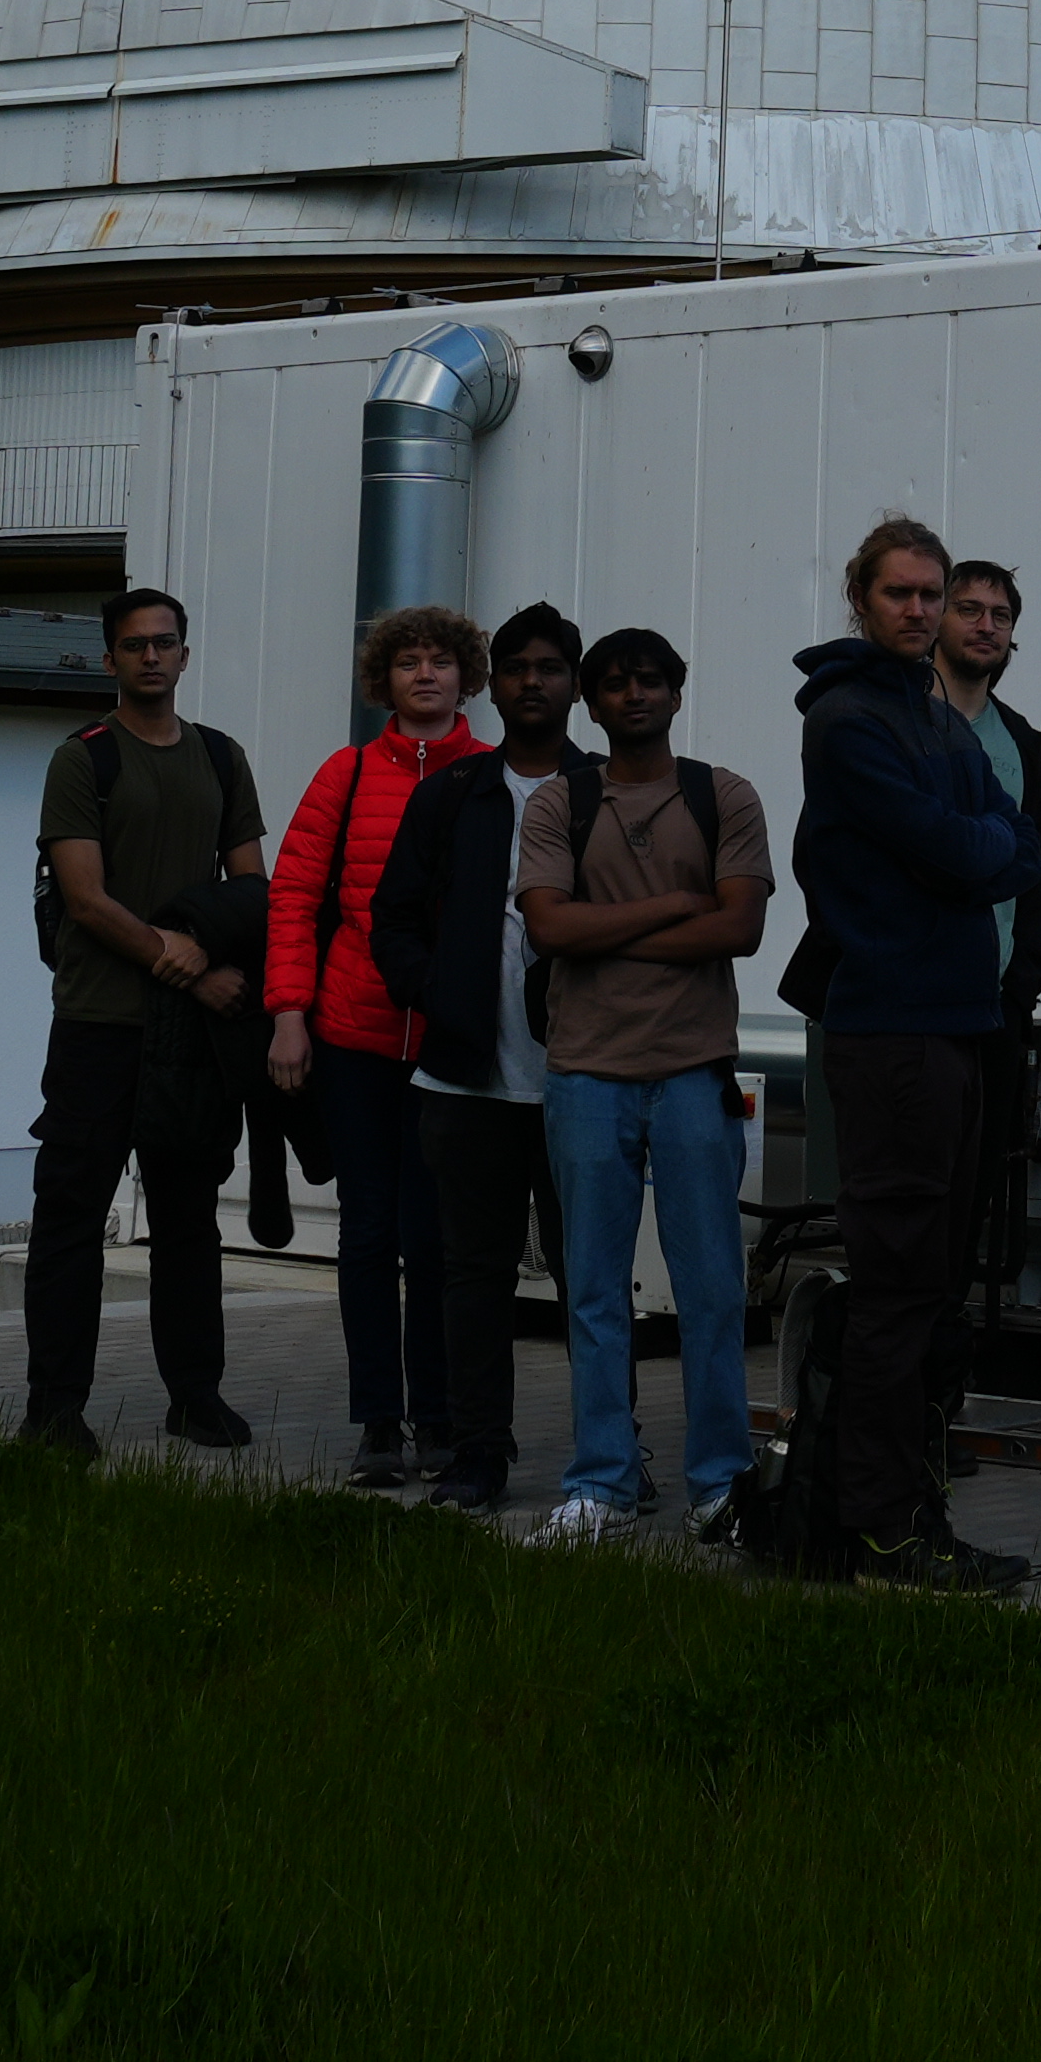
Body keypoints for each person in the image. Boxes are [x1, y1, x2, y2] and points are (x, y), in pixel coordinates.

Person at [787, 514, 1039, 1591]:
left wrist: (975, 848)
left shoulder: (934, 715)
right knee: (895, 1289)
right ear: (861, 599)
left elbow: (1013, 846)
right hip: (892, 1030)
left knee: (932, 1285)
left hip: (958, 1025)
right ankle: (883, 1531)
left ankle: (902, 1512)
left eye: (933, 594)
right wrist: (975, 848)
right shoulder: (848, 719)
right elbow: (954, 845)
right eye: (903, 593)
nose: (922, 611)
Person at [518, 624, 775, 1549]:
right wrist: (673, 905)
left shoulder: (722, 794)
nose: (635, 695)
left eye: (652, 680)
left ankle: (721, 1482)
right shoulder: (559, 801)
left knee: (712, 1293)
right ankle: (603, 1482)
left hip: (695, 1071)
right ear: (590, 703)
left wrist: (606, 928)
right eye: (618, 683)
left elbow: (740, 930)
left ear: (676, 691)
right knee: (592, 1291)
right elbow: (549, 929)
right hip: (586, 1074)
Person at [366, 600, 596, 1515]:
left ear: (575, 684)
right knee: (471, 1277)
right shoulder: (453, 792)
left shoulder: (607, 790)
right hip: (464, 1077)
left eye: (551, 667)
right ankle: (477, 1454)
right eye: (517, 667)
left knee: (589, 1277)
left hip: (585, 1080)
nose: (532, 681)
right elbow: (392, 917)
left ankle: (610, 1452)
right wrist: (438, 993)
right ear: (491, 685)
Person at [25, 583, 263, 1457]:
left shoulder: (222, 758)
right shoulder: (83, 760)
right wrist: (182, 961)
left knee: (189, 1220)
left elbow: (251, 887)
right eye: (135, 645)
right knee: (70, 1218)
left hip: (189, 1042)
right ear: (111, 659)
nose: (151, 656)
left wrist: (214, 959)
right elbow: (86, 900)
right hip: (99, 1022)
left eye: (164, 643)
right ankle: (54, 1409)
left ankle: (195, 1398)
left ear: (185, 656)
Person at [267, 602, 501, 1489]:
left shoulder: (492, 774)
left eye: (441, 660)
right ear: (385, 681)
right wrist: (289, 1012)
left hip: (451, 1042)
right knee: (366, 1234)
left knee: (438, 1239)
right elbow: (293, 895)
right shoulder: (349, 772)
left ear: (466, 676)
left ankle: (440, 1418)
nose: (425, 674)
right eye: (408, 662)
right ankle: (378, 1425)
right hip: (353, 1036)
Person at [921, 555, 1041, 1463]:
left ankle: (935, 1422)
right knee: (909, 1225)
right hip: (911, 1011)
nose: (985, 625)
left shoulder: (1018, 740)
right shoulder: (899, 720)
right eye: (968, 608)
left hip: (993, 1012)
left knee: (966, 1222)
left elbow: (1036, 871)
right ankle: (890, 1427)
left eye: (1000, 614)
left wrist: (1024, 985)